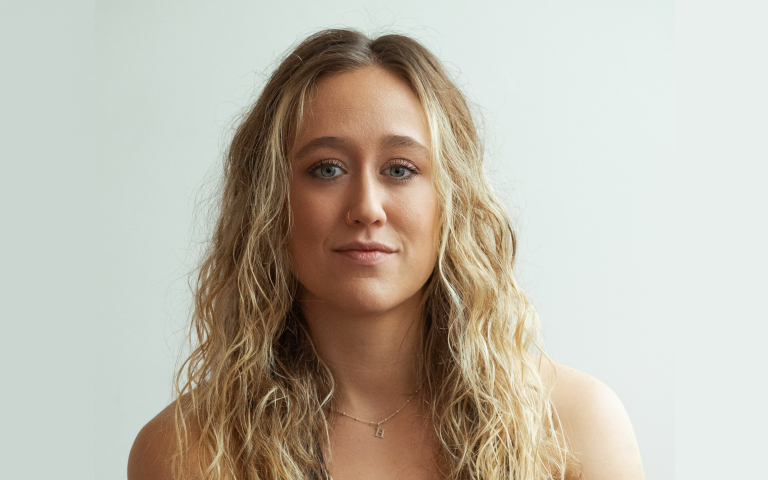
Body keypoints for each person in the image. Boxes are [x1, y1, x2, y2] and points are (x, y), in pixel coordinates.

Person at [127, 28, 645, 480]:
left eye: (400, 169)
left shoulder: (574, 424)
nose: (366, 208)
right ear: (268, 202)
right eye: (327, 169)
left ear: (452, 201)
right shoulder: (186, 450)